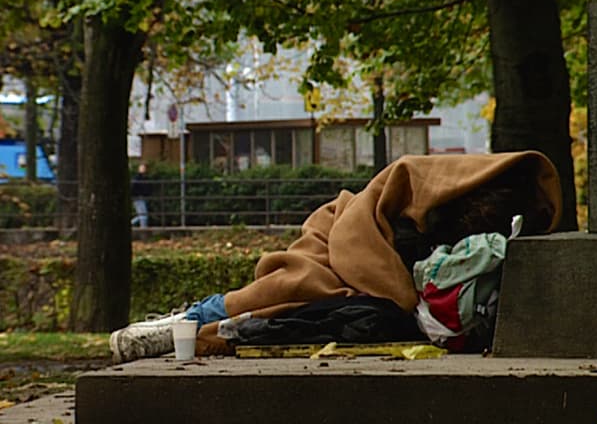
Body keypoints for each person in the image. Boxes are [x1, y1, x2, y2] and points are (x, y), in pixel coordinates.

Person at [110, 150, 563, 363]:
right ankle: (183, 322)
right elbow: (362, 224)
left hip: (368, 280)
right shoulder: (438, 187)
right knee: (289, 287)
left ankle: (190, 327)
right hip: (340, 237)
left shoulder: (487, 239)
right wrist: (407, 296)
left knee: (316, 307)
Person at [130, 163, 152, 228]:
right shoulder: (137, 178)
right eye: (142, 168)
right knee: (143, 216)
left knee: (142, 215)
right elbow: (133, 188)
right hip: (138, 198)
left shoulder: (145, 178)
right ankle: (143, 229)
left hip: (142, 198)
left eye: (144, 168)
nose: (143, 169)